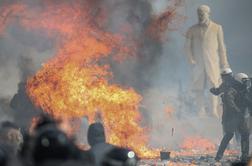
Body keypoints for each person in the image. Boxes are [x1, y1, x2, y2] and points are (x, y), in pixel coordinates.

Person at [185, 5, 230, 117]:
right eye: (199, 13)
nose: (200, 15)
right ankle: (201, 110)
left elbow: (221, 47)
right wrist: (191, 59)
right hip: (198, 64)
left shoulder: (217, 28)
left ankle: (213, 110)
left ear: (208, 14)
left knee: (214, 86)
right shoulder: (192, 30)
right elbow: (187, 47)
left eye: (202, 13)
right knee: (198, 87)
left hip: (212, 63)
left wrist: (224, 63)